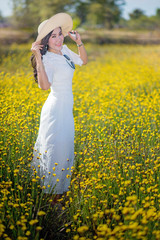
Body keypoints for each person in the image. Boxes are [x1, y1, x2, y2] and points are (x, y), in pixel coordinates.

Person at [30, 13, 87, 203]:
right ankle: (52, 200)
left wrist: (78, 42)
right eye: (53, 36)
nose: (58, 39)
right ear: (45, 41)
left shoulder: (64, 50)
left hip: (66, 111)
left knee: (65, 149)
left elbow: (83, 61)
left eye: (59, 34)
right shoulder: (47, 59)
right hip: (54, 111)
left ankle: (59, 194)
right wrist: (38, 56)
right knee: (55, 150)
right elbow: (44, 87)